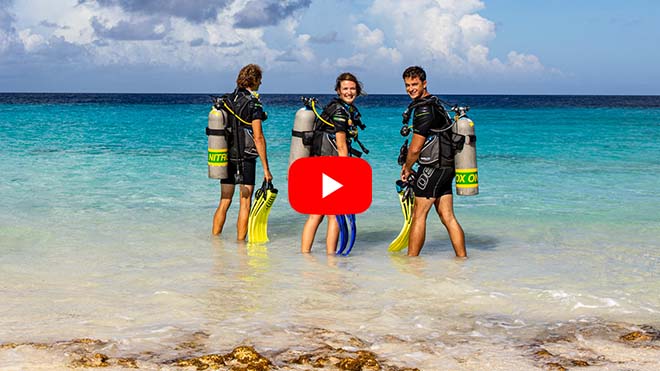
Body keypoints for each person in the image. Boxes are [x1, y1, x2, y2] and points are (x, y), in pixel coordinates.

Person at [400, 66, 466, 258]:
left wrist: (407, 167)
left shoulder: (423, 109)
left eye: (415, 84)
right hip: (447, 167)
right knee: (447, 216)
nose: (411, 89)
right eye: (407, 85)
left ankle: (412, 262)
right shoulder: (434, 104)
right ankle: (462, 260)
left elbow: (415, 148)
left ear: (424, 83)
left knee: (418, 215)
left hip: (433, 168)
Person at [301, 72, 365, 254]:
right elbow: (342, 145)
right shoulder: (340, 111)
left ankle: (305, 256)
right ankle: (331, 260)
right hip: (331, 168)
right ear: (338, 90)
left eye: (352, 88)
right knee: (333, 216)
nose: (349, 92)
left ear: (357, 91)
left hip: (317, 165)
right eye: (345, 89)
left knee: (316, 214)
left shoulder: (335, 108)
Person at [212, 64, 273, 240]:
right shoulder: (253, 104)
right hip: (245, 158)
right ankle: (240, 248)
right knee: (245, 203)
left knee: (224, 201)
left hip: (226, 156)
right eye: (260, 79)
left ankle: (215, 243)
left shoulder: (227, 99)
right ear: (254, 81)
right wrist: (266, 169)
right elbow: (258, 137)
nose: (261, 83)